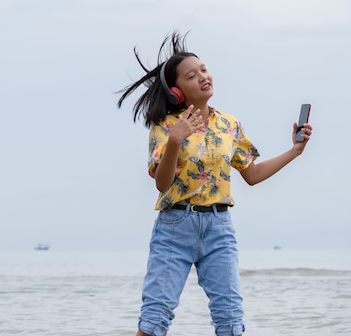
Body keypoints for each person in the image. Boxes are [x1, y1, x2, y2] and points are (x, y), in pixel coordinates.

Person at [117, 31, 313, 336]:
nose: (203, 77)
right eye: (191, 76)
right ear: (176, 92)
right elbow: (162, 184)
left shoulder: (229, 124)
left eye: (204, 70)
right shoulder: (166, 127)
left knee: (231, 319)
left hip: (219, 228)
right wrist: (175, 141)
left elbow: (252, 174)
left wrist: (295, 151)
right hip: (174, 227)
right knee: (155, 318)